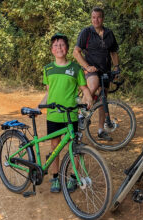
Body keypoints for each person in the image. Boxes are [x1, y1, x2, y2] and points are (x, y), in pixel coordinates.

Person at [41, 33, 93, 193]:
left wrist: (88, 98)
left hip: (71, 115)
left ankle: (73, 178)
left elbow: (84, 89)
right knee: (54, 147)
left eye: (62, 45)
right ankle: (55, 178)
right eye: (56, 45)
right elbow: (49, 92)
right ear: (51, 50)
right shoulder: (48, 69)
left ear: (67, 48)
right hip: (53, 115)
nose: (59, 48)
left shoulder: (75, 68)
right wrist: (40, 106)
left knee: (75, 147)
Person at [73, 6, 120, 141]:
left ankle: (101, 130)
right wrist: (87, 66)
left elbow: (113, 52)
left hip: (105, 70)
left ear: (103, 18)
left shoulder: (109, 33)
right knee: (93, 85)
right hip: (90, 70)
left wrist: (117, 67)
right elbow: (76, 52)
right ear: (91, 18)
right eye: (93, 17)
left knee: (102, 99)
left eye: (98, 17)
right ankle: (81, 115)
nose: (96, 20)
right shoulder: (86, 32)